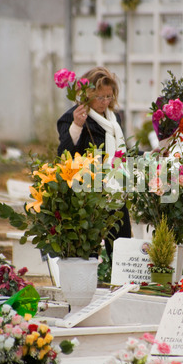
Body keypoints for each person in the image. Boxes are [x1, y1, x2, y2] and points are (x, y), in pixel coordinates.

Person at [57, 66, 132, 262]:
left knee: (121, 249)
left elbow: (122, 153)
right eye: (100, 97)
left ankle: (120, 287)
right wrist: (77, 126)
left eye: (109, 96)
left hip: (114, 193)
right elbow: (64, 155)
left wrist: (152, 154)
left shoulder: (114, 119)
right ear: (87, 94)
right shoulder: (72, 117)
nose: (105, 102)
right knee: (87, 253)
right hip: (87, 196)